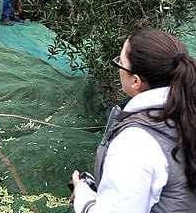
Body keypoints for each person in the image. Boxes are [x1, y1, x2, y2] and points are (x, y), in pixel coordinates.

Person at [71, 28, 196, 213]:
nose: (118, 66)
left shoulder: (135, 143)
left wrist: (83, 196)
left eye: (120, 62)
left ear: (136, 81)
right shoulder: (187, 109)